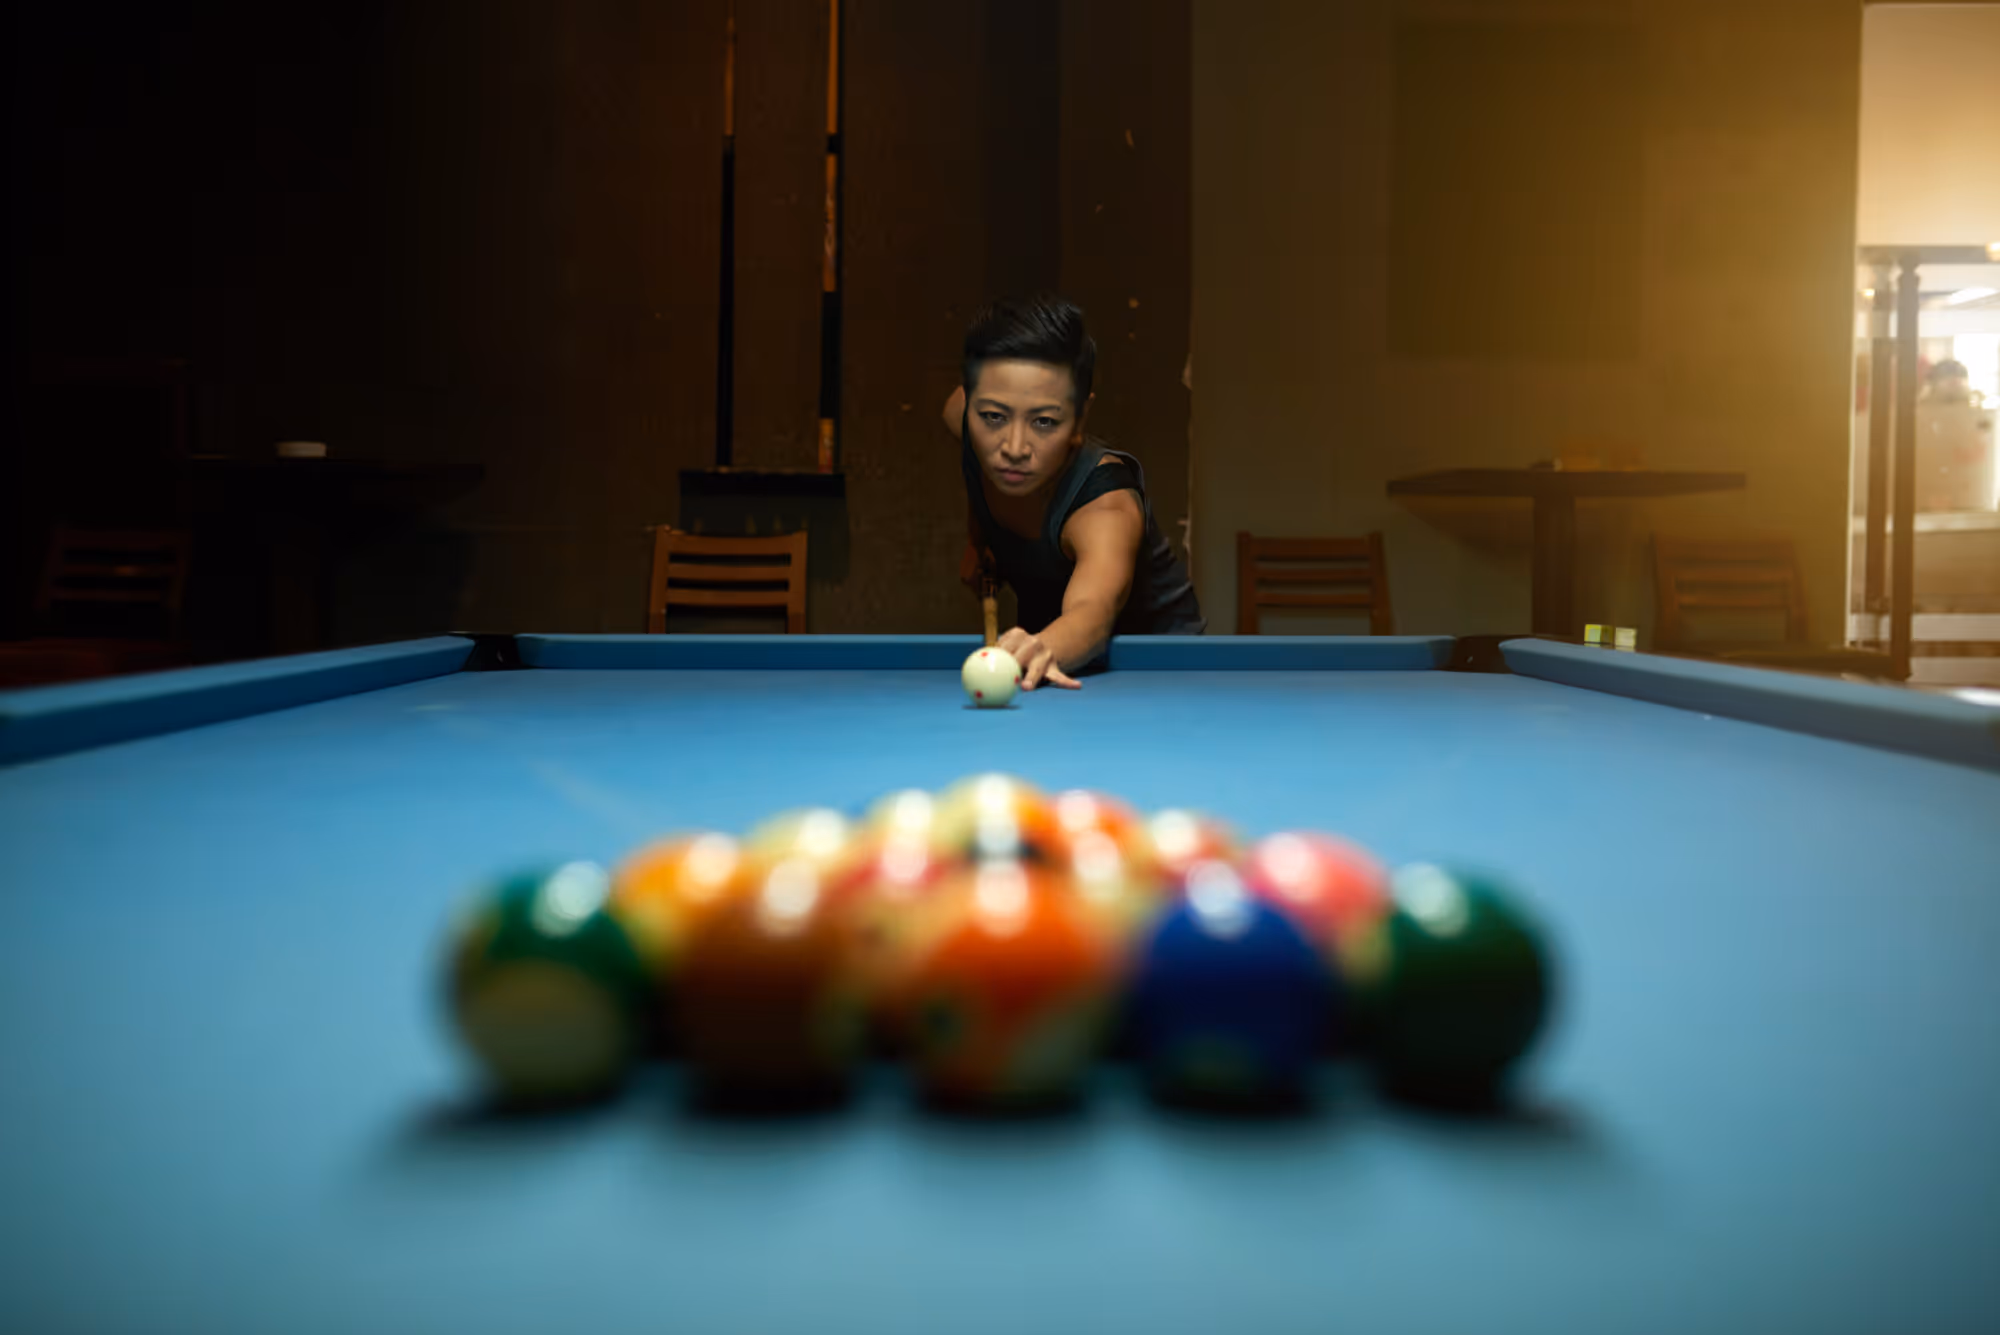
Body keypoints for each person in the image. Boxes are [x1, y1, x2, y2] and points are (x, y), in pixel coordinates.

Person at [942, 295, 1204, 690]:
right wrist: (979, 539)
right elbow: (972, 463)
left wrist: (1045, 644)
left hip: (1161, 669)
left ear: (1080, 419)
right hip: (1049, 660)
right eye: (994, 416)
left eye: (1044, 422)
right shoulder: (963, 416)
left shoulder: (1106, 507)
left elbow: (1091, 613)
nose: (1013, 446)